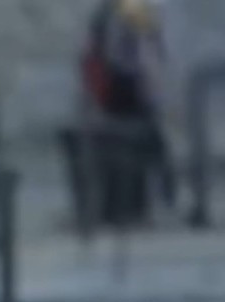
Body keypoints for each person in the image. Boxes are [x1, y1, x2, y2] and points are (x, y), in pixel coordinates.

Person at [81, 0, 177, 218]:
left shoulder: (120, 12)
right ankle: (147, 202)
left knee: (144, 149)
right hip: (123, 92)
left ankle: (142, 203)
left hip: (123, 93)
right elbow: (143, 55)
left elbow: (147, 51)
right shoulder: (125, 11)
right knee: (146, 148)